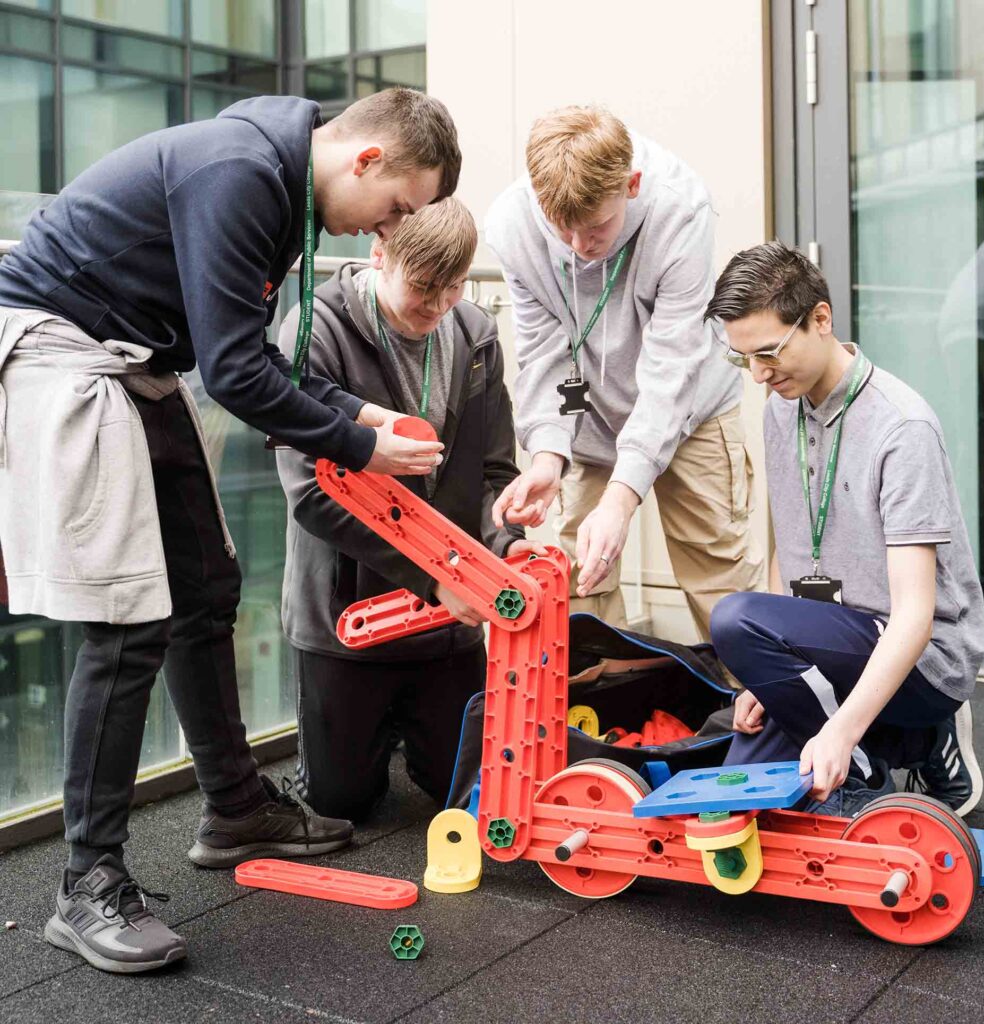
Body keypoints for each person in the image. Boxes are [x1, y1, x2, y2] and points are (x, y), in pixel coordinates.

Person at [0, 87, 459, 973]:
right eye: (396, 207)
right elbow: (237, 374)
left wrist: (364, 412)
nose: (384, 231)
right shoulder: (242, 171)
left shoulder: (282, 185)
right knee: (126, 620)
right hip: (64, 352)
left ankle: (235, 807)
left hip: (140, 362)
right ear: (365, 160)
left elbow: (257, 360)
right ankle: (86, 882)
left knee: (206, 590)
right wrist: (360, 444)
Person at [276, 197, 540, 821]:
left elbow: (495, 471)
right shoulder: (313, 330)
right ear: (377, 255)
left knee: (464, 788)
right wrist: (436, 578)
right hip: (347, 617)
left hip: (447, 623)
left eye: (452, 289)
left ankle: (404, 730)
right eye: (422, 288)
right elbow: (312, 495)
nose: (437, 306)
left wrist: (506, 549)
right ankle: (366, 741)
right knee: (341, 803)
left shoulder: (475, 333)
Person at [705, 241, 984, 817]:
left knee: (733, 618)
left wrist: (839, 735)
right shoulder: (782, 406)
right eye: (743, 360)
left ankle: (886, 755)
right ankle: (907, 746)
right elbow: (789, 542)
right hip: (839, 638)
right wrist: (767, 675)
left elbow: (914, 615)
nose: (758, 375)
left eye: (769, 353)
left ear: (821, 319)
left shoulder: (902, 428)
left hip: (923, 654)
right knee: (736, 791)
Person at [485, 105, 764, 639]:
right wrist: (547, 454)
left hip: (691, 410)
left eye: (594, 229)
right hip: (588, 417)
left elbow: (670, 369)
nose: (578, 248)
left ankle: (751, 709)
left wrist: (622, 498)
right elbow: (544, 354)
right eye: (560, 228)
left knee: (717, 575)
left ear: (632, 185)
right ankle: (601, 715)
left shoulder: (680, 210)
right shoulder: (513, 224)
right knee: (586, 582)